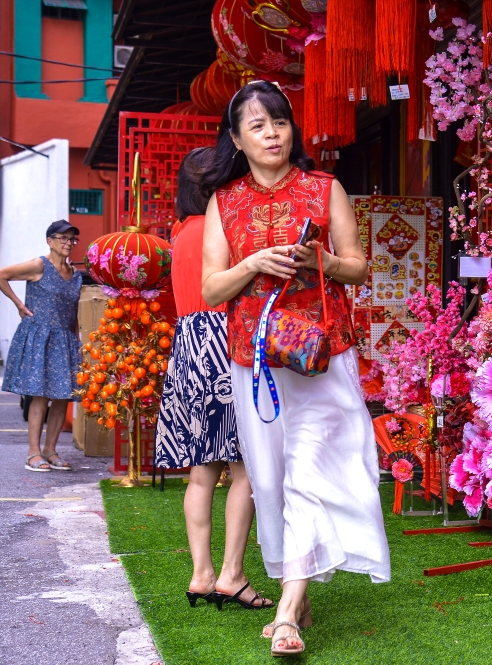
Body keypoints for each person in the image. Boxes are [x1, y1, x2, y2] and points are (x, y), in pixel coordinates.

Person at [200, 80, 390, 657]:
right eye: (256, 125)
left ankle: (286, 613)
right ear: (237, 139)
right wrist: (253, 261)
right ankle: (297, 583)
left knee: (308, 470)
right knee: (270, 478)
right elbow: (211, 289)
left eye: (278, 122)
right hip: (254, 362)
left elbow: (358, 267)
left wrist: (324, 261)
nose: (271, 133)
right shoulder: (222, 203)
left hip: (322, 357)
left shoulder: (324, 188)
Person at [154, 148, 273, 612]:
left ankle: (201, 574)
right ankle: (232, 576)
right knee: (245, 468)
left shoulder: (181, 232)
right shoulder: (219, 230)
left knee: (201, 473)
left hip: (189, 347)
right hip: (225, 342)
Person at [0, 221, 82, 472]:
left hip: (65, 339)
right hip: (39, 337)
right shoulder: (39, 265)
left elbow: (72, 311)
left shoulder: (75, 274)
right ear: (49, 241)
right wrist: (19, 305)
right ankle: (33, 453)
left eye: (72, 239)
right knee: (40, 395)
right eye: (62, 238)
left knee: (63, 396)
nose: (68, 243)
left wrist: (77, 340)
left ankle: (50, 451)